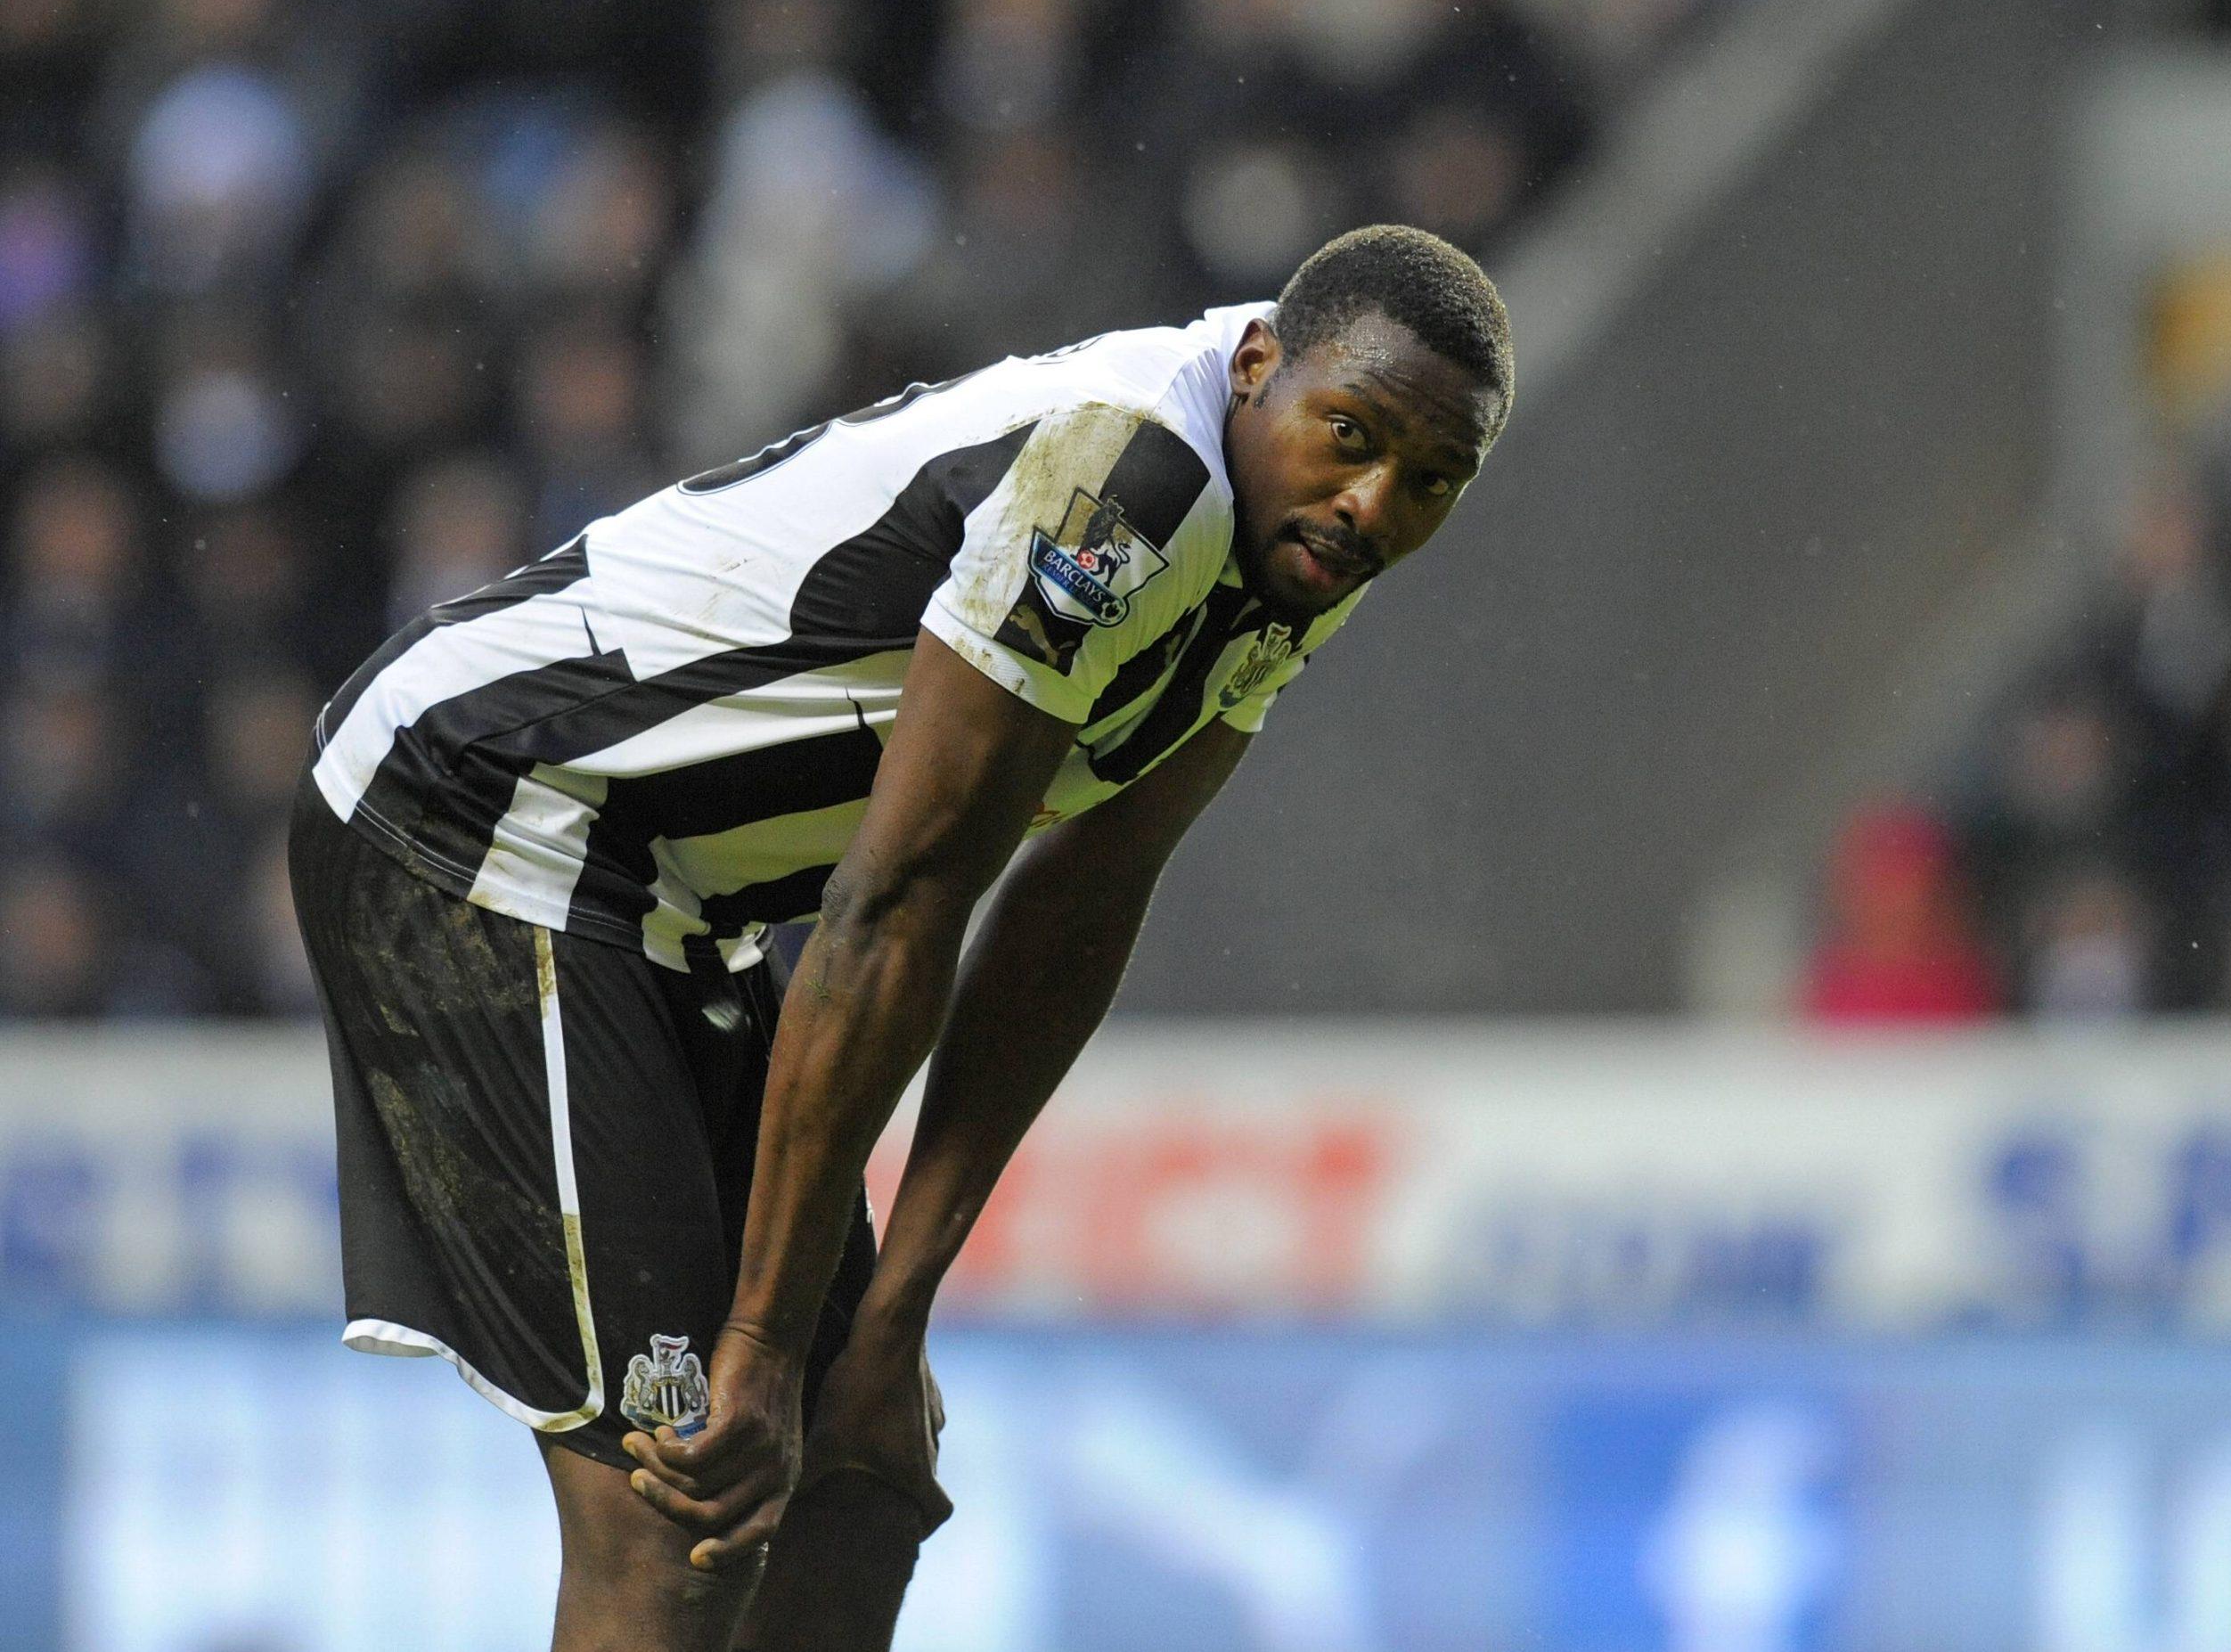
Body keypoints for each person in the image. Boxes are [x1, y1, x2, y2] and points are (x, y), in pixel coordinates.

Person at [288, 222, 1512, 1650]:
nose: (1373, 504)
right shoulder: (1120, 484)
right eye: (1350, 437)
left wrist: (891, 1315)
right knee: (683, 1505)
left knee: (856, 1475)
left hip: (683, 906)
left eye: (1430, 481)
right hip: (489, 816)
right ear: (1259, 366)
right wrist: (757, 1338)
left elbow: (1073, 911)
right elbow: (899, 902)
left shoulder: (1298, 527)